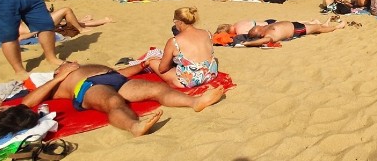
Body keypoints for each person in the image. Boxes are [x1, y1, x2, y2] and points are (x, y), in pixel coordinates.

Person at [16, 60, 224, 137]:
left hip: (116, 78)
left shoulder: (77, 67)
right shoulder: (58, 81)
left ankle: (195, 102)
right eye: (62, 65)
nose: (68, 62)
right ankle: (133, 126)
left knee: (157, 88)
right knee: (114, 102)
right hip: (89, 86)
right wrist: (60, 76)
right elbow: (28, 102)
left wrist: (142, 64)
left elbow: (123, 71)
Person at [148, 7, 218, 88]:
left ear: (180, 22)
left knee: (152, 62)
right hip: (211, 73)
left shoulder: (174, 41)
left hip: (192, 80)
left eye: (175, 21)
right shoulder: (207, 33)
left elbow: (162, 69)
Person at [242, 19, 346, 47]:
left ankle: (325, 24)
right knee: (318, 28)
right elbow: (266, 40)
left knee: (317, 27)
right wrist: (248, 43)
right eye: (257, 28)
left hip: (294, 24)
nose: (259, 26)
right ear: (260, 34)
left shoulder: (265, 28)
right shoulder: (268, 35)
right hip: (296, 30)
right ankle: (337, 27)